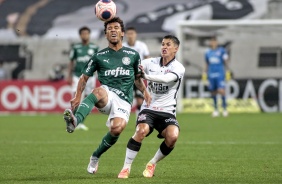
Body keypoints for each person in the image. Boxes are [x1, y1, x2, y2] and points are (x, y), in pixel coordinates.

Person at [63, 17, 151, 175]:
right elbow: (83, 78)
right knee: (98, 91)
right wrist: (77, 96)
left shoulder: (133, 55)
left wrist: (145, 93)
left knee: (117, 129)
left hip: (124, 100)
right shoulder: (99, 56)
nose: (113, 30)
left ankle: (95, 156)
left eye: (116, 27)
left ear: (122, 32)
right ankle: (75, 121)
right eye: (109, 29)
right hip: (107, 95)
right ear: (105, 34)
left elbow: (137, 79)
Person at [118, 35, 185, 179]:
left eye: (168, 44)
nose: (164, 47)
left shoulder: (179, 68)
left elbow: (167, 79)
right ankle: (126, 168)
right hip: (149, 108)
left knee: (172, 137)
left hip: (168, 112)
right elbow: (136, 74)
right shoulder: (150, 63)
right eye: (162, 44)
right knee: (141, 131)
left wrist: (146, 76)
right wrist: (143, 90)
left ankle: (152, 163)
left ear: (176, 49)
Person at [68, 26, 99, 130]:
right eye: (83, 33)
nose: (85, 35)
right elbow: (71, 61)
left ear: (89, 35)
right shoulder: (76, 48)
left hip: (90, 77)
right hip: (77, 76)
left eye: (86, 33)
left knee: (88, 100)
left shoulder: (94, 47)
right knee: (76, 98)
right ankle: (73, 120)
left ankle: (80, 122)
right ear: (80, 35)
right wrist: (69, 75)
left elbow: (98, 62)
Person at [123, 27, 150, 117]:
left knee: (140, 100)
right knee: (124, 101)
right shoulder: (122, 46)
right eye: (129, 33)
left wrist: (147, 72)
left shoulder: (142, 45)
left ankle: (139, 120)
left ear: (135, 34)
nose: (130, 36)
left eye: (132, 33)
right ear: (126, 35)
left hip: (139, 77)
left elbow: (147, 59)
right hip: (126, 77)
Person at [202, 36, 230, 117]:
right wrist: (204, 72)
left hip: (220, 74)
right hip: (211, 74)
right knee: (213, 92)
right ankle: (216, 109)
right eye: (212, 42)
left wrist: (228, 71)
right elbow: (207, 63)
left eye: (214, 41)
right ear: (210, 43)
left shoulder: (222, 51)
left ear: (217, 42)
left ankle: (224, 109)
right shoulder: (208, 52)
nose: (213, 43)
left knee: (221, 90)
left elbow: (226, 61)